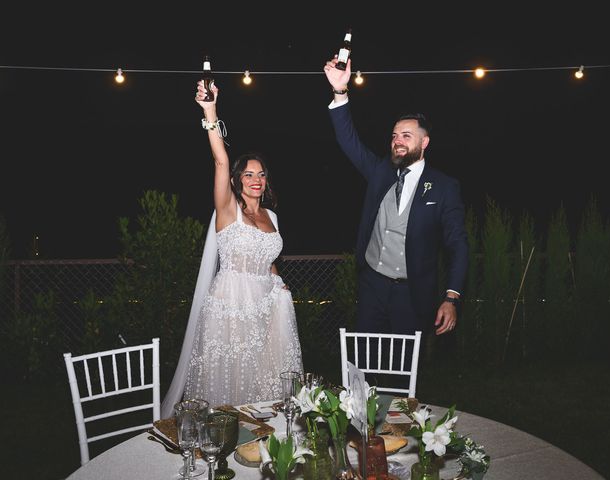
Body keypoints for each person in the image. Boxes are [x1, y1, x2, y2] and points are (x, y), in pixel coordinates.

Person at [161, 81, 303, 417]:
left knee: (263, 375)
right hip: (231, 304)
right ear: (238, 180)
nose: (256, 179)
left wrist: (278, 282)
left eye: (262, 174)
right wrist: (210, 112)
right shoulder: (228, 209)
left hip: (267, 306)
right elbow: (220, 160)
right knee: (232, 375)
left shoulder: (272, 216)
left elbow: (269, 260)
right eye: (249, 174)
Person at [323, 57, 469, 338]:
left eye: (406, 135)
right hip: (372, 286)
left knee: (403, 368)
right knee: (363, 361)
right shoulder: (380, 172)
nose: (397, 141)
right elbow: (348, 140)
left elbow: (457, 244)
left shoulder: (443, 186)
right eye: (394, 136)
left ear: (424, 143)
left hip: (411, 292)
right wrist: (340, 91)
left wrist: (451, 298)